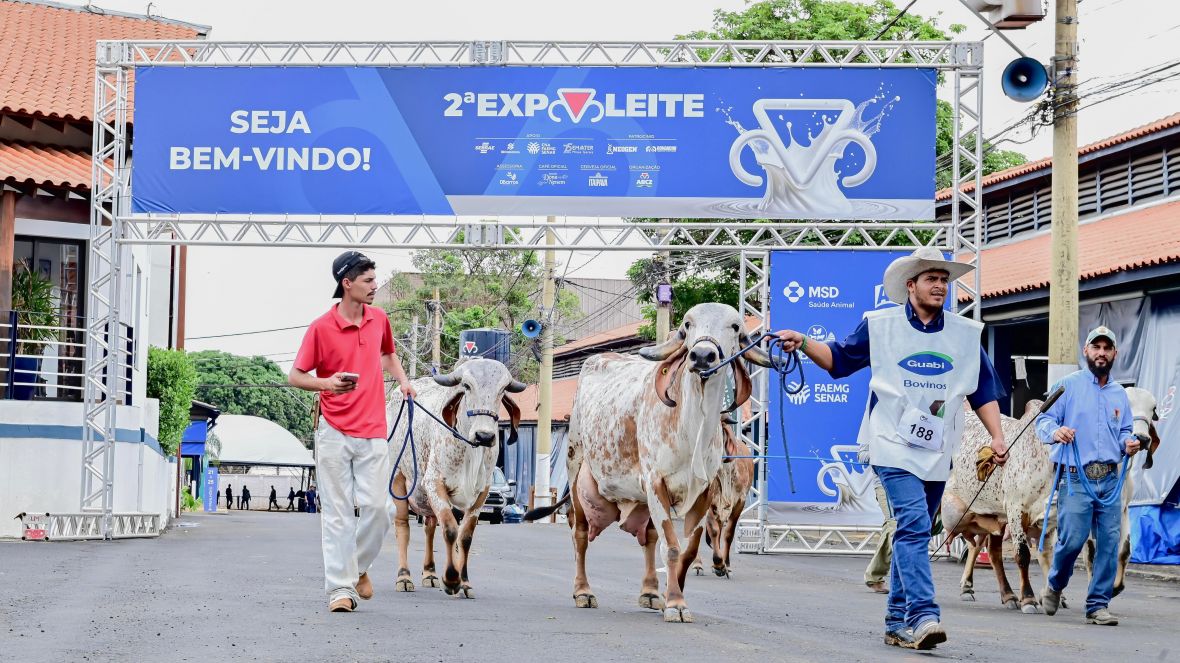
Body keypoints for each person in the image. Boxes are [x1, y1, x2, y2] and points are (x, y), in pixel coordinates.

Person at [774, 247, 1007, 651]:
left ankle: (897, 622)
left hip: (937, 449)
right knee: (914, 523)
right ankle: (923, 614)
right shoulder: (879, 325)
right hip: (890, 445)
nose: (940, 286)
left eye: (944, 280)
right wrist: (806, 341)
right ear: (910, 286)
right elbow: (841, 360)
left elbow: (982, 389)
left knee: (915, 530)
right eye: (931, 278)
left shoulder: (965, 335)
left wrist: (997, 436)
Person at [288, 251, 416, 613]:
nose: (375, 286)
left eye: (375, 280)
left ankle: (357, 568)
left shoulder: (379, 320)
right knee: (338, 513)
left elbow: (388, 356)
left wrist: (404, 382)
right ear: (347, 284)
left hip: (374, 428)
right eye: (368, 281)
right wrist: (327, 383)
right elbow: (295, 376)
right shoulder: (320, 327)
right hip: (332, 429)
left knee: (380, 508)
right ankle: (340, 590)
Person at [1035, 326, 1139, 626]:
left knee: (1110, 542)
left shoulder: (1120, 394)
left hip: (1109, 479)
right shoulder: (1067, 385)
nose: (1102, 353)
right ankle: (1055, 584)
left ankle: (1097, 605)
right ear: (1086, 351)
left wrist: (1128, 443)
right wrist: (1056, 431)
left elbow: (1123, 432)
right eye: (1096, 347)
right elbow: (1043, 419)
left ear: (1115, 354)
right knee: (1072, 540)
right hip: (1076, 478)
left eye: (1107, 348)